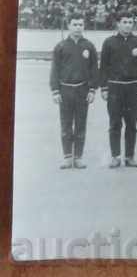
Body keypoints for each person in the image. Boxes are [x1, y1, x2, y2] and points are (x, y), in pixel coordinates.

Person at [100, 10, 137, 168]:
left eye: (130, 22)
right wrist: (104, 88)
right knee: (115, 123)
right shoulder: (109, 42)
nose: (128, 25)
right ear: (118, 23)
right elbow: (104, 68)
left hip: (133, 88)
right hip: (114, 88)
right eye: (125, 22)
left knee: (132, 124)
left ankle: (129, 156)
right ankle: (115, 156)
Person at [50, 13, 98, 169]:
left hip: (83, 90)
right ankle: (67, 157)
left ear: (84, 26)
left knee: (80, 124)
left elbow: (94, 70)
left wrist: (92, 89)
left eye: (81, 25)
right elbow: (55, 71)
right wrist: (55, 91)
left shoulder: (89, 46)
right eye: (75, 24)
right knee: (66, 124)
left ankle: (78, 157)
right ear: (69, 26)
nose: (78, 27)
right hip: (65, 90)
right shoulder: (60, 46)